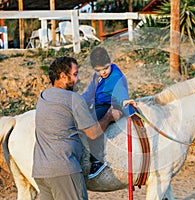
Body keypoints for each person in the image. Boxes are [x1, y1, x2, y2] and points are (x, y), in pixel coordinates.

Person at [32, 56, 122, 200]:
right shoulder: (73, 99)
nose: (79, 78)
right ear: (62, 76)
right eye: (75, 74)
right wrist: (109, 116)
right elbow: (93, 133)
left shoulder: (44, 96)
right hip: (64, 171)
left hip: (41, 172)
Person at [82, 47, 136, 179]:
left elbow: (120, 91)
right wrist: (80, 101)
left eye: (105, 68)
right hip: (98, 103)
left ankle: (97, 160)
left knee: (93, 123)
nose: (103, 72)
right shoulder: (97, 76)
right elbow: (90, 92)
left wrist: (124, 100)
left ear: (110, 62)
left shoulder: (116, 76)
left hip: (112, 104)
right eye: (98, 70)